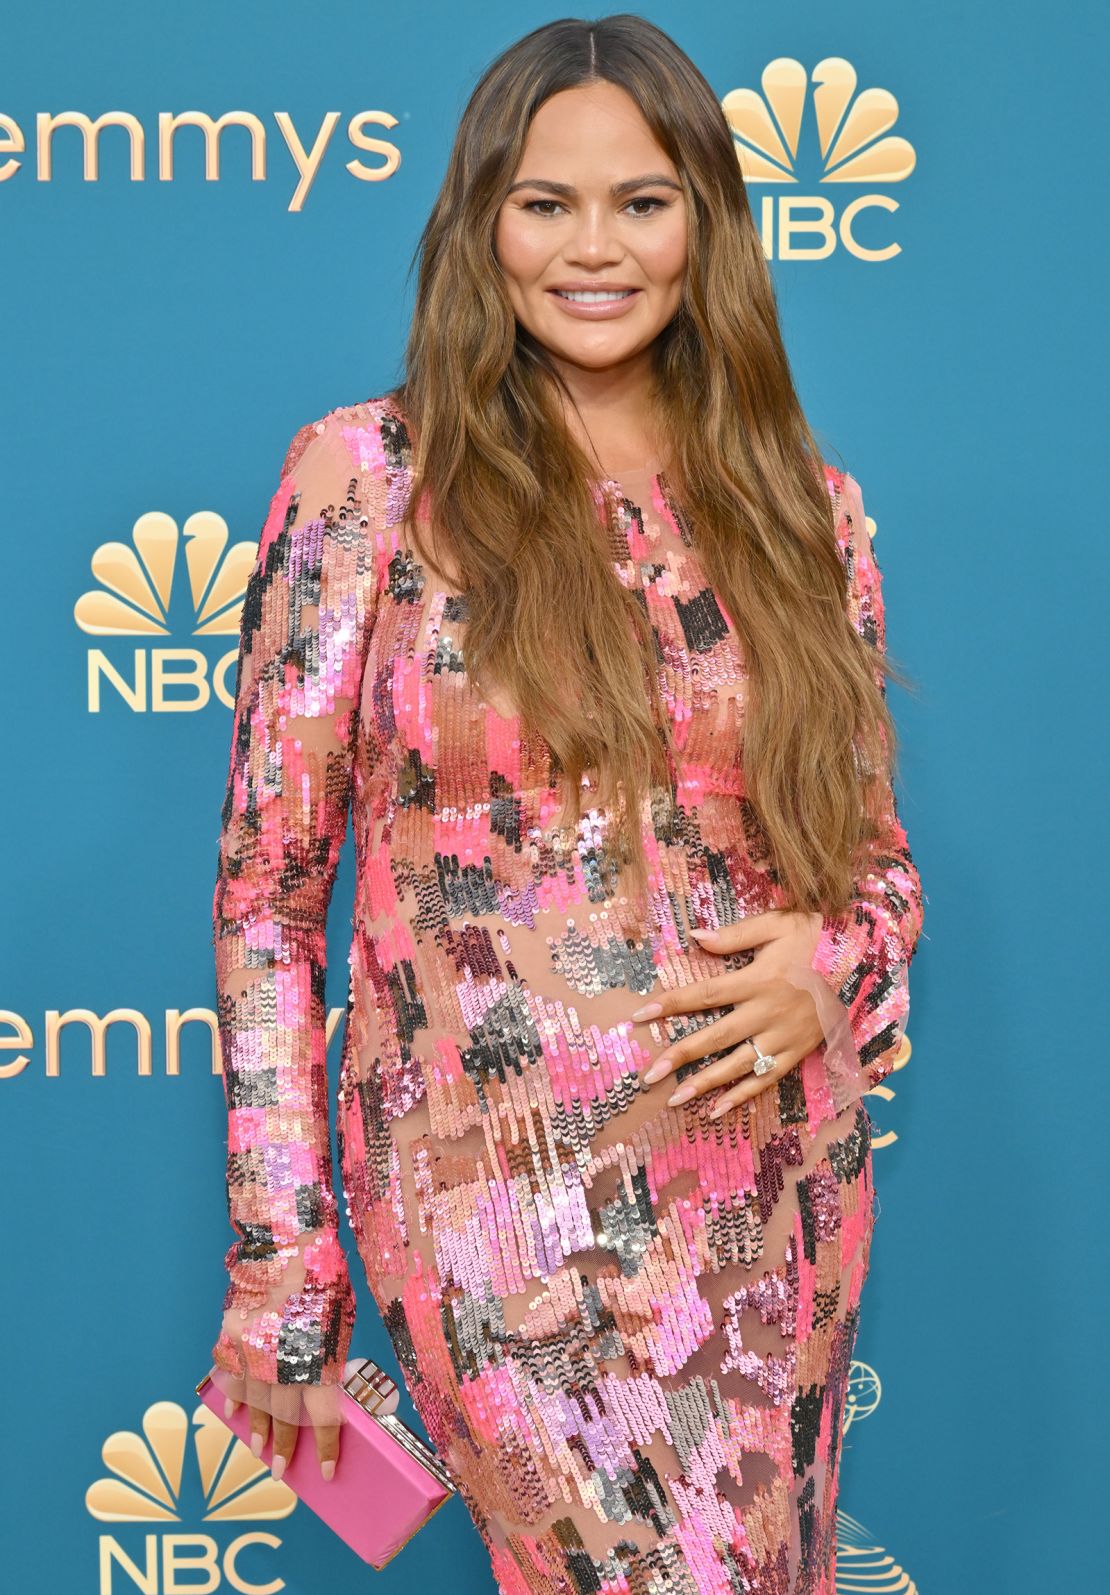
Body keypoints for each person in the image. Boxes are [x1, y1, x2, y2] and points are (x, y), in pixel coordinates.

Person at [206, 13, 925, 1592]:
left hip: (768, 1187)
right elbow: (267, 895)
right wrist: (282, 1263)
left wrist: (835, 968)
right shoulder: (371, 480)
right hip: (491, 1205)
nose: (592, 248)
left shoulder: (805, 508)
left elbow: (872, 868)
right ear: (481, 224)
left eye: (642, 201)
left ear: (706, 226)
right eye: (544, 203)